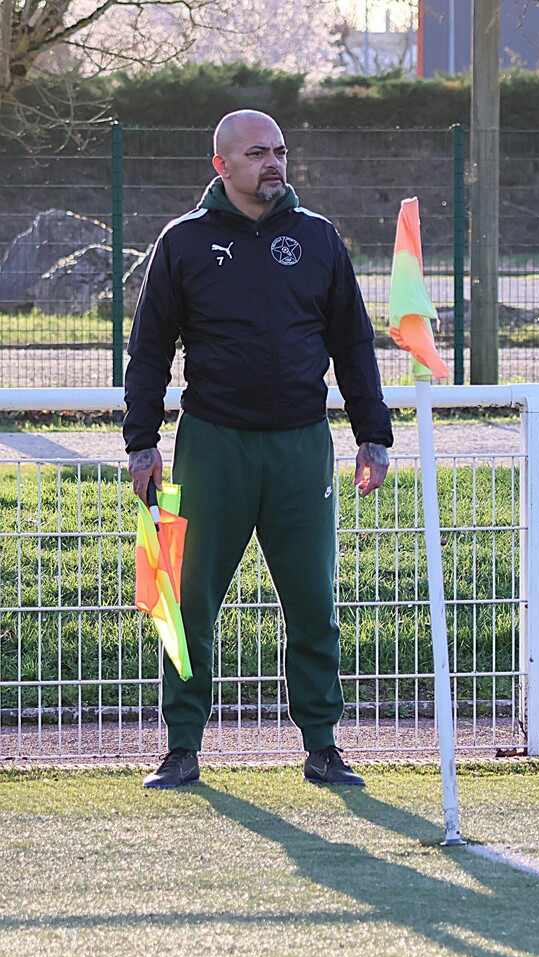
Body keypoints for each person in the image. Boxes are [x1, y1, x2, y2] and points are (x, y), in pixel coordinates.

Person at [123, 110, 393, 790]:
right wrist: (140, 442)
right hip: (211, 445)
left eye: (279, 151)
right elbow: (148, 350)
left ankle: (323, 746)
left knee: (313, 603)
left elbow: (353, 343)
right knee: (184, 603)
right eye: (256, 154)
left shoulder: (318, 238)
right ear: (221, 165)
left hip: (301, 446)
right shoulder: (183, 241)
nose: (272, 163)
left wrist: (373, 434)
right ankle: (181, 747)